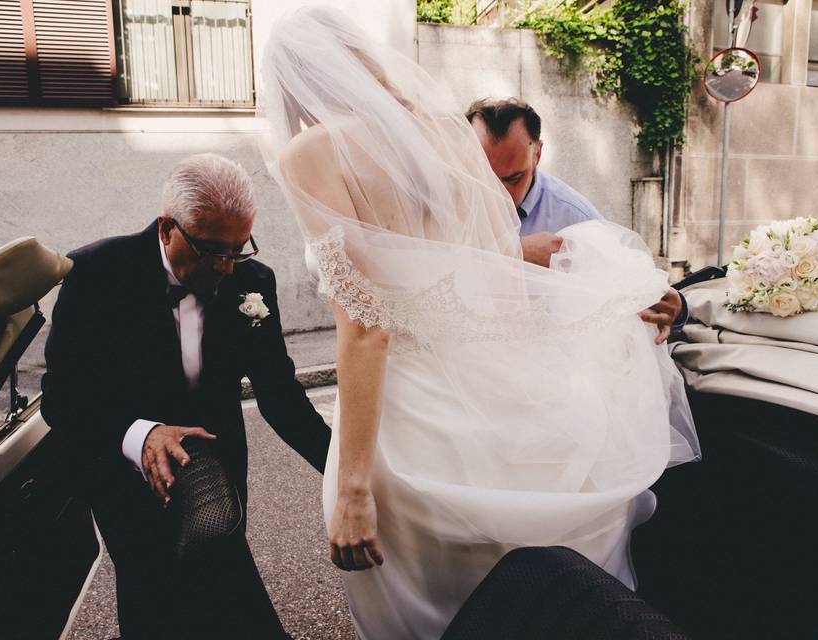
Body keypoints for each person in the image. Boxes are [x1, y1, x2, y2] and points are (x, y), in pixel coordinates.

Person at [261, 7, 699, 639]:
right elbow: (495, 269)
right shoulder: (441, 130)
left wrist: (354, 486)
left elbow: (365, 325)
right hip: (490, 386)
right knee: (528, 580)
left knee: (435, 592)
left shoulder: (312, 151)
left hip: (412, 409)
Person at [40, 153, 331, 639]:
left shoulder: (253, 283)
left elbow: (279, 394)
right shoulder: (96, 273)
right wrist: (143, 433)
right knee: (151, 596)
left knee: (220, 580)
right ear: (166, 228)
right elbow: (62, 396)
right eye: (212, 248)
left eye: (239, 248)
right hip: (125, 474)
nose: (224, 265)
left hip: (218, 471)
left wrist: (344, 470)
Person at [466, 98, 687, 344]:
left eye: (514, 178)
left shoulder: (575, 216)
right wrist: (515, 254)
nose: (500, 192)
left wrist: (676, 310)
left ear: (537, 154)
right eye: (485, 176)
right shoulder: (445, 203)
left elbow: (632, 296)